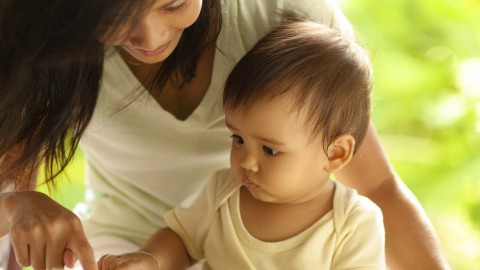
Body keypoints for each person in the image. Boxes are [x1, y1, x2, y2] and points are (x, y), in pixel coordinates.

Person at [0, 0, 449, 269]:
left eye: (173, 2)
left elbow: (377, 186)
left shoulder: (279, 15)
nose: (150, 36)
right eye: (116, 12)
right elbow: (179, 236)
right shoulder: (43, 40)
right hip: (125, 246)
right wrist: (15, 204)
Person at [97, 20, 386, 270]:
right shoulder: (223, 193)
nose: (246, 161)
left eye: (270, 150)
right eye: (238, 139)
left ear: (335, 154)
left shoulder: (352, 223)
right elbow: (181, 240)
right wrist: (151, 260)